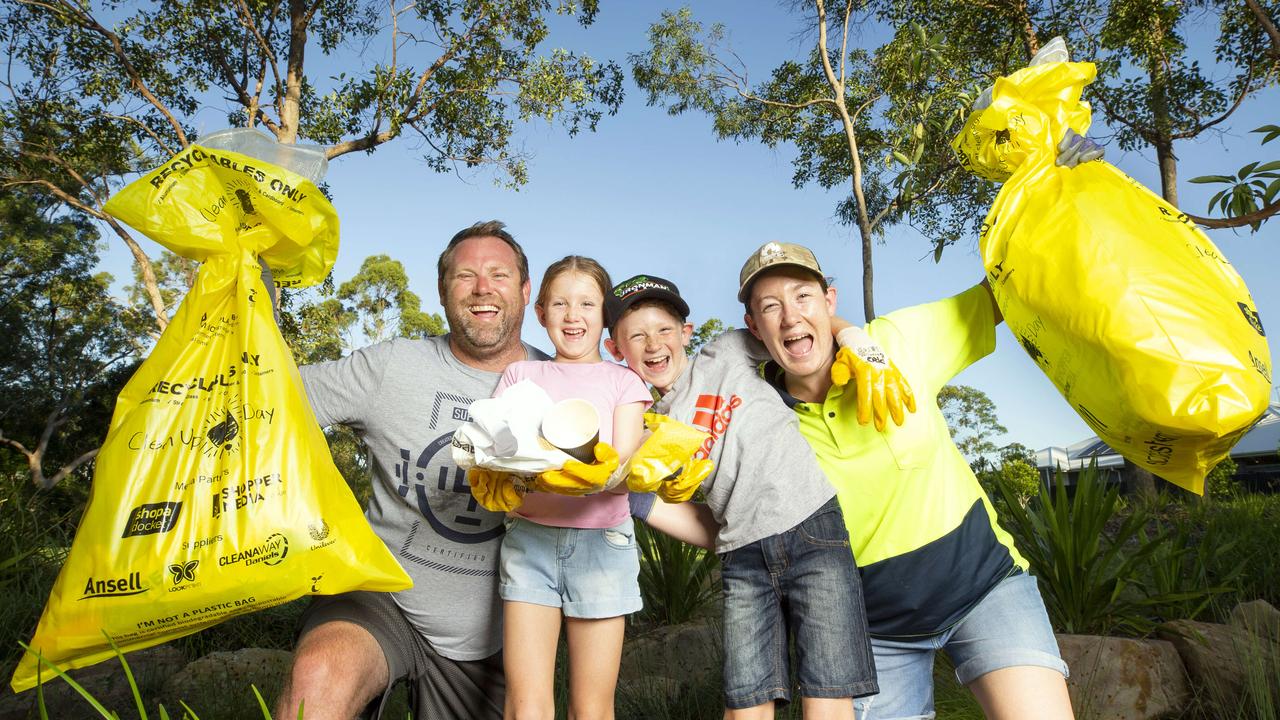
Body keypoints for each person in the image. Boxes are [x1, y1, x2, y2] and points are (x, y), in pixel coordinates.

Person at [738, 241, 1074, 720]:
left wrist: (1059, 191)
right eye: (771, 307)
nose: (791, 317)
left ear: (829, 300)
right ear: (754, 328)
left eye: (803, 297)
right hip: (873, 629)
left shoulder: (896, 343)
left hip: (983, 585)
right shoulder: (760, 421)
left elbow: (999, 293)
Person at [275, 221, 547, 720]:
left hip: (496, 632)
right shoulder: (392, 368)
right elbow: (268, 397)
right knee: (319, 677)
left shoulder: (562, 387)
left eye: (499, 275)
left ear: (526, 291)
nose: (483, 288)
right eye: (465, 276)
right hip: (382, 597)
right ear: (443, 293)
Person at [604, 274, 882, 719]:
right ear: (616, 349)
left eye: (664, 330)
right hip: (742, 557)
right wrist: (634, 500)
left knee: (828, 697)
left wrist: (855, 338)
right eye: (636, 335)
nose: (653, 343)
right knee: (745, 705)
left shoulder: (726, 352)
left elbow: (803, 326)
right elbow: (700, 522)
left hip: (813, 530)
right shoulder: (647, 428)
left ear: (686, 334)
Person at [483, 256, 652, 719]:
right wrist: (501, 471)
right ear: (540, 313)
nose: (572, 316)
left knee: (592, 708)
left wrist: (580, 474)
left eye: (586, 304)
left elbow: (623, 467)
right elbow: (497, 447)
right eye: (560, 303)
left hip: (603, 545)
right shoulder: (521, 377)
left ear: (605, 317)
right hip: (529, 544)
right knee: (526, 704)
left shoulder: (625, 382)